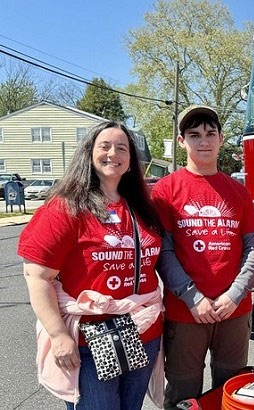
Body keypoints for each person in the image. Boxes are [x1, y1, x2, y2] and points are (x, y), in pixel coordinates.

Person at [17, 122, 164, 409]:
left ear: (132, 160)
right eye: (104, 146)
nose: (113, 153)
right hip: (90, 341)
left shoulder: (142, 207)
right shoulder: (66, 207)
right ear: (88, 153)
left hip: (143, 334)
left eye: (122, 148)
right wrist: (58, 335)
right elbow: (36, 276)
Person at [152, 105, 254, 409]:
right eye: (194, 134)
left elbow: (253, 248)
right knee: (183, 394)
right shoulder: (165, 190)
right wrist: (193, 297)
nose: (203, 141)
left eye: (210, 133)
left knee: (233, 391)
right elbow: (163, 251)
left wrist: (236, 294)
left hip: (234, 310)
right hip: (185, 312)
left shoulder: (238, 191)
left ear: (221, 138)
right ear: (181, 141)